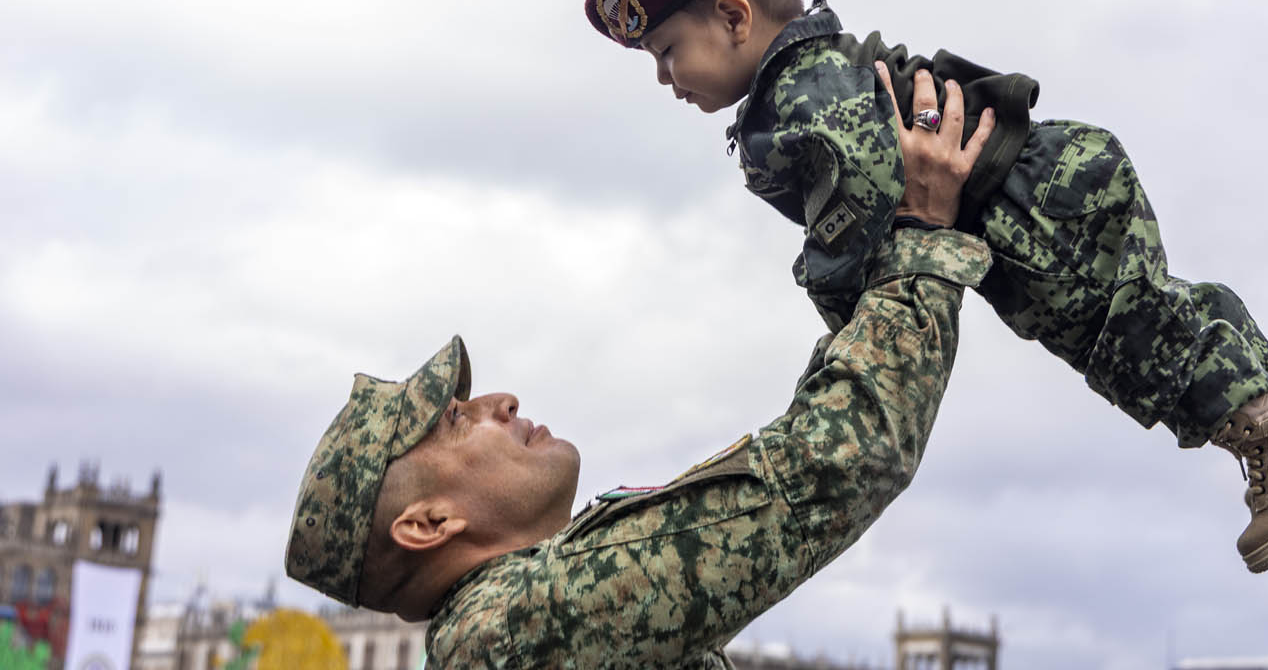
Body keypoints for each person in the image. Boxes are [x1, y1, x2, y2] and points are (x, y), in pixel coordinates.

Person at [582, 0, 1268, 574]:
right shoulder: (809, 70)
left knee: (1122, 337)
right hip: (1045, 189)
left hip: (1031, 212)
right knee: (1142, 312)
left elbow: (864, 192)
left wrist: (842, 305)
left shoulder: (797, 95)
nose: (664, 78)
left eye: (667, 52)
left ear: (733, 18)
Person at [286, 70, 997, 667]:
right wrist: (922, 238)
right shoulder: (517, 628)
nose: (499, 401)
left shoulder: (510, 623)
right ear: (429, 522)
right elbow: (833, 463)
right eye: (455, 418)